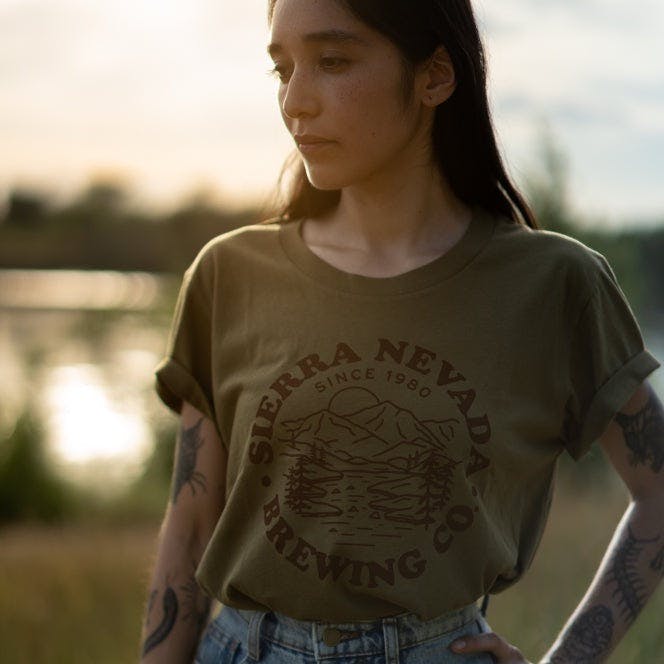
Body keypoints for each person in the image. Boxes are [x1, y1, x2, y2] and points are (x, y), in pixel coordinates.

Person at [139, 0, 664, 662]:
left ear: (435, 77)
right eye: (281, 69)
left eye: (331, 61)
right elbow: (188, 531)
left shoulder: (555, 285)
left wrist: (570, 659)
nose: (295, 102)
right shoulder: (228, 275)